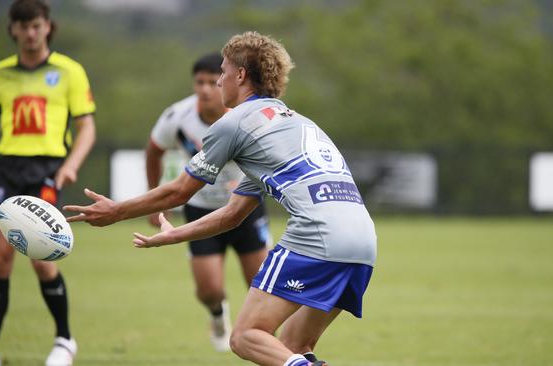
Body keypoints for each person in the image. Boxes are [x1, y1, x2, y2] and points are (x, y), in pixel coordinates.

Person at [65, 31, 376, 366]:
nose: (217, 85)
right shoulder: (297, 124)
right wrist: (172, 235)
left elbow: (179, 190)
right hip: (363, 244)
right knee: (290, 347)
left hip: (318, 236)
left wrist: (117, 210)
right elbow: (232, 214)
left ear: (240, 75)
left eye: (222, 74)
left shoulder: (235, 123)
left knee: (245, 337)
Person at [0, 1, 97, 365]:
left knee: (41, 257)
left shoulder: (69, 72)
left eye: (37, 25)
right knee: (0, 258)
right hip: (5, 169)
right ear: (13, 30)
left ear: (48, 27)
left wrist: (71, 166)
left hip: (47, 169)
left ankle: (64, 340)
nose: (31, 33)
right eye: (24, 27)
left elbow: (86, 128)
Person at [145, 53, 270, 352]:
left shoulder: (245, 114)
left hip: (246, 208)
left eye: (211, 82)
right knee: (209, 289)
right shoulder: (178, 117)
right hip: (201, 209)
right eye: (198, 82)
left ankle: (266, 341)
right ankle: (217, 314)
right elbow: (153, 151)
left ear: (225, 81)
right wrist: (155, 200)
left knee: (262, 285)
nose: (203, 89)